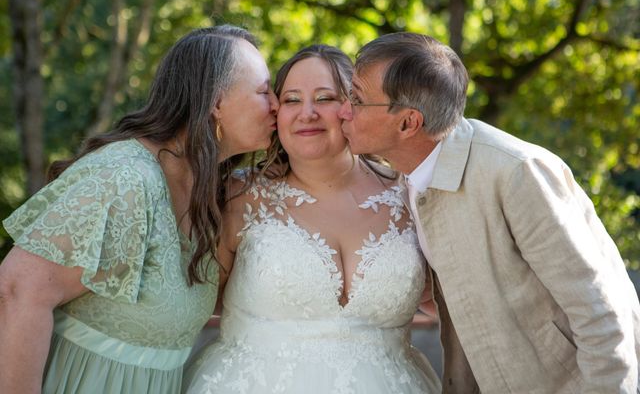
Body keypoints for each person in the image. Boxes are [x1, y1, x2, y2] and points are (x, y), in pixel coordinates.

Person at [337, 31, 640, 393]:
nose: (343, 110)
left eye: (356, 99)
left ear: (408, 123)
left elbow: (602, 312)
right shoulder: (405, 182)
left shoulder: (517, 173)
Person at [0, 25, 279, 394]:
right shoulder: (124, 178)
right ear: (216, 102)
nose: (277, 104)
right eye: (263, 91)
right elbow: (17, 291)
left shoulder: (210, 193)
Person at [183, 44, 441, 394]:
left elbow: (446, 300)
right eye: (291, 99)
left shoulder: (410, 195)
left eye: (325, 98)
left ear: (352, 108)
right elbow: (193, 305)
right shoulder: (239, 196)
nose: (307, 113)